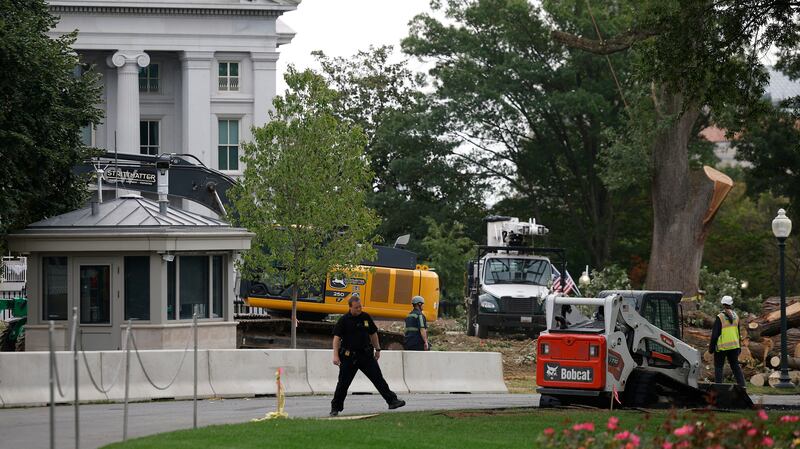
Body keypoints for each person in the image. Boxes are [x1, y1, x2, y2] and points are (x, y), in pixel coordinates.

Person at [330, 297, 406, 416]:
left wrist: (378, 349)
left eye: (360, 307)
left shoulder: (366, 317)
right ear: (350, 307)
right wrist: (335, 356)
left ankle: (392, 401)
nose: (359, 309)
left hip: (366, 355)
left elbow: (373, 334)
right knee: (343, 384)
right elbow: (336, 338)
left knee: (378, 379)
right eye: (356, 307)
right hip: (349, 357)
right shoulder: (344, 320)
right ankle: (335, 408)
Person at [709, 295, 746, 387]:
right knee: (735, 366)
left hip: (722, 347)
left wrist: (711, 348)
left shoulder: (720, 317)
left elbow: (714, 335)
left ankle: (719, 388)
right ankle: (742, 386)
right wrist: (739, 347)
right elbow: (738, 333)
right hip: (734, 346)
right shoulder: (736, 316)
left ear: (722, 304)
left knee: (718, 367)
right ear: (731, 304)